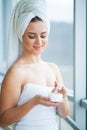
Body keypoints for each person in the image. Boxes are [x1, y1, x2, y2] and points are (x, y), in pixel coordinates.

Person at [0, 0, 70, 130]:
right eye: (32, 36)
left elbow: (64, 113)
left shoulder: (53, 68)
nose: (39, 42)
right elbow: (3, 121)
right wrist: (33, 102)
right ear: (21, 36)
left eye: (43, 35)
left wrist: (64, 98)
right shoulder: (16, 72)